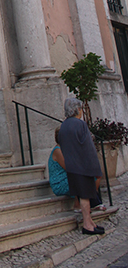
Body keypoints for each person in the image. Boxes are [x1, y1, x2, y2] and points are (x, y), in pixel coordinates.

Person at [58, 97, 105, 235]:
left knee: (83, 196)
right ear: (78, 109)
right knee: (85, 197)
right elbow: (89, 149)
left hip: (71, 167)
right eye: (81, 108)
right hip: (83, 167)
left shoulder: (63, 126)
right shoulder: (80, 124)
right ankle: (87, 225)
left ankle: (90, 222)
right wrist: (96, 169)